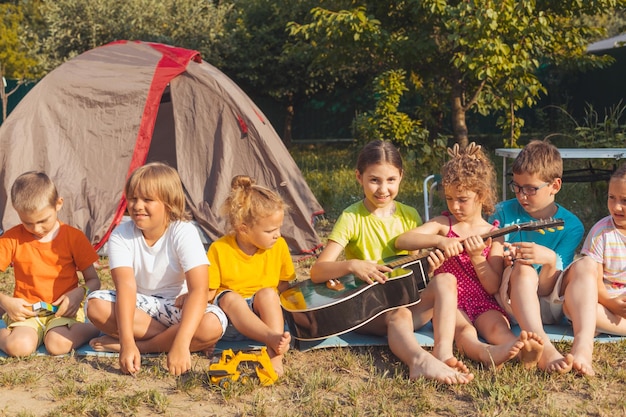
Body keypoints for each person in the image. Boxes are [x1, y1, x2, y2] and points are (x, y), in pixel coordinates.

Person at [310, 140, 473, 384]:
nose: (382, 189)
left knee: (446, 280)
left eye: (390, 180)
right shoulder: (352, 217)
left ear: (401, 177)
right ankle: (418, 361)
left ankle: (443, 353)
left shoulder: (410, 216)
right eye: (374, 180)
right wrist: (353, 265)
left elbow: (415, 269)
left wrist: (430, 266)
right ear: (359, 177)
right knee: (399, 315)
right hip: (369, 311)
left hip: (407, 301)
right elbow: (317, 271)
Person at [396, 143, 544, 370]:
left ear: (481, 195)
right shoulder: (443, 224)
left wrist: (477, 258)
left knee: (497, 327)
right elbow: (403, 240)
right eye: (449, 198)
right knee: (465, 332)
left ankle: (521, 349)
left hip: (484, 301)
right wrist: (439, 240)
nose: (455, 206)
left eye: (462, 199)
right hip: (451, 302)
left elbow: (493, 285)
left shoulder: (494, 234)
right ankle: (488, 354)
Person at [86, 162, 227, 376]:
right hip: (140, 308)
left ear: (169, 204)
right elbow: (126, 288)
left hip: (177, 307)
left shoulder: (183, 231)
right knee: (95, 305)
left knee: (212, 324)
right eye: (133, 199)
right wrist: (126, 343)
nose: (137, 206)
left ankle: (146, 347)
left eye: (148, 200)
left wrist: (180, 342)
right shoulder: (121, 235)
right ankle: (180, 341)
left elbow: (199, 289)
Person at [488, 140, 587, 374]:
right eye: (517, 186)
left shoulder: (571, 226)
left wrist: (550, 260)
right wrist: (506, 261)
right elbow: (492, 265)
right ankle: (544, 346)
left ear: (555, 185)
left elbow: (547, 289)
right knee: (523, 268)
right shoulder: (502, 212)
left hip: (550, 302)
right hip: (512, 301)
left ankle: (581, 346)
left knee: (579, 266)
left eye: (531, 188)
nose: (522, 195)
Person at [0, 171, 101, 357]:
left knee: (57, 345)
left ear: (58, 204)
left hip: (63, 312)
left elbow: (94, 280)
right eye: (27, 223)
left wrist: (80, 292)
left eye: (43, 221)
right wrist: (5, 301)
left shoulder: (74, 237)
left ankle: (92, 328)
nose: (36, 229)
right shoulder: (12, 238)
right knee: (18, 347)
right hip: (27, 313)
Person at [208, 175, 293, 376]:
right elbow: (209, 295)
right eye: (271, 230)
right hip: (229, 324)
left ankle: (275, 359)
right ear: (243, 229)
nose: (278, 234)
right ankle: (271, 337)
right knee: (229, 297)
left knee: (269, 295)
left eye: (279, 228)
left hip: (265, 319)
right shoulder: (219, 249)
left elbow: (285, 289)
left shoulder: (279, 246)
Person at [561, 163, 626, 375]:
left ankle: (604, 327)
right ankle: (592, 327)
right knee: (572, 308)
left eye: (625, 201)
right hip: (605, 303)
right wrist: (611, 303)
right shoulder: (602, 232)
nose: (616, 207)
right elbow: (594, 280)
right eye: (611, 198)